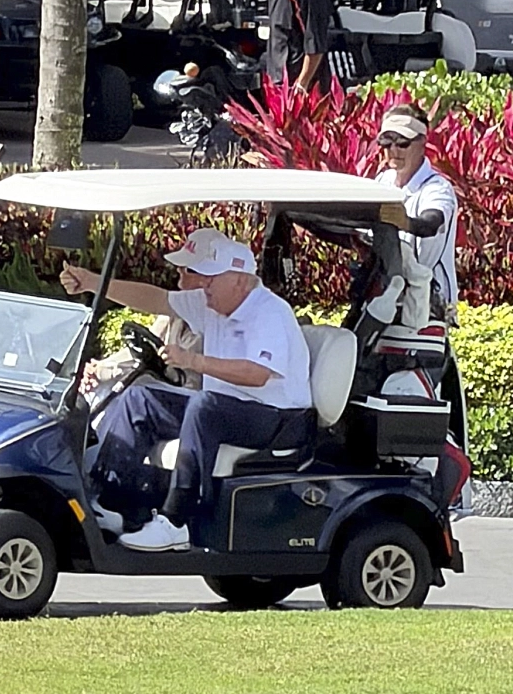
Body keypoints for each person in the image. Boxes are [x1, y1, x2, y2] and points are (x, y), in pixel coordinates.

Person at [61, 234, 314, 552]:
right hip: (228, 407)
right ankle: (108, 501)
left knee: (205, 407)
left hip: (276, 418)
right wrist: (92, 281)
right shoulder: (215, 301)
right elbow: (157, 299)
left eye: (209, 280)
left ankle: (176, 521)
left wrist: (193, 360)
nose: (201, 288)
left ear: (238, 280)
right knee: (142, 398)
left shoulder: (269, 313)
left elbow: (257, 374)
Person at [82, 228, 226, 396]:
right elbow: (146, 346)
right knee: (92, 395)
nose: (179, 270)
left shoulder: (218, 321)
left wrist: (107, 372)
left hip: (190, 401)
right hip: (166, 395)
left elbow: (173, 370)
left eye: (188, 268)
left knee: (136, 396)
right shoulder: (175, 313)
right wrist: (99, 368)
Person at [375, 103, 459, 323]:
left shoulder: (437, 187)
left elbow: (431, 222)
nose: (393, 150)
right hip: (387, 296)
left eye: (403, 143)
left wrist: (406, 223)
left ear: (423, 142)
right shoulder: (382, 180)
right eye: (386, 142)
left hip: (430, 305)